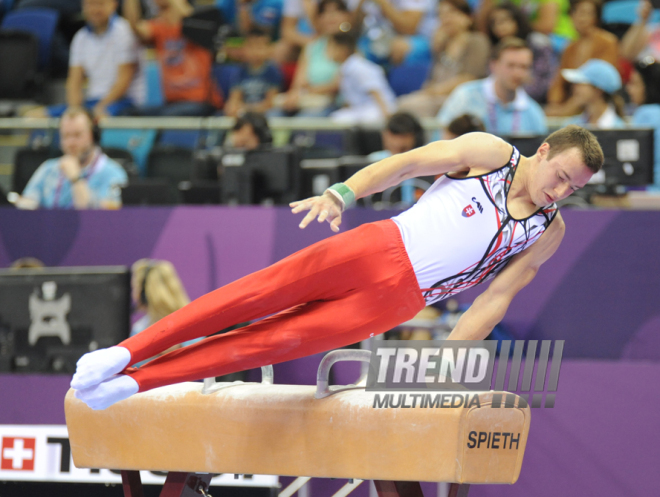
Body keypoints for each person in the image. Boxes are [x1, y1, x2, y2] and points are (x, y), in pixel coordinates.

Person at [71, 124, 601, 410]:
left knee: (267, 343)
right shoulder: (491, 153)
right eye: (559, 176)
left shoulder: (547, 231)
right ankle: (126, 352)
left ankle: (138, 383)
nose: (559, 191)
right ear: (544, 148)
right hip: (376, 246)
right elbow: (409, 163)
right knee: (249, 298)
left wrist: (447, 364)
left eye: (571, 190)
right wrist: (344, 192)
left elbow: (494, 300)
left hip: (397, 302)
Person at [24, 0, 145, 118]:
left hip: (124, 102)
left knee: (100, 117)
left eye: (100, 4)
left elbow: (124, 80)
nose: (95, 9)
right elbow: (74, 81)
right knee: (35, 116)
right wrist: (74, 109)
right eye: (90, 4)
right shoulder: (80, 38)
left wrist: (101, 106)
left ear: (114, 5)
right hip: (92, 102)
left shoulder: (124, 31)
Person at [123, 0, 223, 116]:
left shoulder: (200, 25)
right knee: (130, 114)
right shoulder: (159, 27)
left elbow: (190, 17)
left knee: (167, 116)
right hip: (171, 103)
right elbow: (135, 27)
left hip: (200, 101)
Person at [16, 107, 128, 210]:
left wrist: (75, 178)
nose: (71, 143)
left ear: (94, 135)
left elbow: (96, 216)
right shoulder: (48, 168)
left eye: (77, 135)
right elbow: (25, 207)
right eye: (66, 136)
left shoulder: (113, 173)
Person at [396, 0, 490, 117]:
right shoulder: (443, 44)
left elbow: (470, 78)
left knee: (407, 107)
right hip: (437, 97)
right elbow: (432, 78)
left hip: (463, 98)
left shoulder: (477, 41)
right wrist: (436, 47)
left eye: (452, 12)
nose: (447, 18)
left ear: (468, 17)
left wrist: (435, 91)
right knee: (401, 104)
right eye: (442, 14)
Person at [438, 37, 547, 135]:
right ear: (494, 65)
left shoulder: (533, 112)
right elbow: (441, 137)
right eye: (511, 65)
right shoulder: (465, 96)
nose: (517, 73)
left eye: (524, 67)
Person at [276, 0, 352, 116]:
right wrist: (295, 94)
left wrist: (308, 91)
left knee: (306, 119)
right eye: (324, 12)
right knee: (274, 115)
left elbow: (337, 85)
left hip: (334, 104)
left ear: (347, 16)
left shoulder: (351, 47)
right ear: (318, 19)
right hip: (308, 101)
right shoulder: (312, 46)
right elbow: (299, 82)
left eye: (336, 11)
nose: (330, 16)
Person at [545, 0, 619, 117]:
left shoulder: (608, 42)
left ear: (596, 17)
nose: (582, 18)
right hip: (572, 102)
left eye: (587, 13)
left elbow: (601, 82)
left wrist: (565, 110)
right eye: (578, 13)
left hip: (597, 101)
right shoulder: (569, 47)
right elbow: (559, 81)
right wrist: (554, 104)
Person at [130, 259, 202, 365]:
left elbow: (201, 362)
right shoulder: (139, 329)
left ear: (144, 293)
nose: (134, 295)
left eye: (135, 288)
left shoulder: (191, 325)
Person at [486, 1, 557, 104]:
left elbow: (542, 85)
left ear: (517, 20)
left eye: (504, 20)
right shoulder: (495, 48)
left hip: (536, 102)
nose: (500, 26)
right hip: (499, 101)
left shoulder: (537, 43)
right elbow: (491, 81)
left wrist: (512, 91)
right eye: (494, 23)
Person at [327, 30, 397, 123]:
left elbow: (375, 90)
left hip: (376, 109)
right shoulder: (346, 68)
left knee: (338, 120)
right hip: (362, 109)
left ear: (342, 49)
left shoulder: (359, 67)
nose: (327, 51)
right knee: (335, 117)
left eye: (330, 47)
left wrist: (387, 117)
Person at [349, 0, 438, 65]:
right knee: (354, 51)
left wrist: (383, 3)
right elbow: (353, 26)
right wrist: (361, 3)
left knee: (399, 46)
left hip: (423, 38)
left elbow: (409, 29)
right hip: (385, 36)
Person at [224, 27, 284, 118]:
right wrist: (233, 107)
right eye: (251, 47)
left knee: (275, 114)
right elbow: (234, 98)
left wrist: (250, 109)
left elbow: (270, 102)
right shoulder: (240, 71)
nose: (255, 52)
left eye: (259, 47)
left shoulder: (273, 71)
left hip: (264, 112)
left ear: (269, 49)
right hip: (244, 111)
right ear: (244, 49)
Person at [626, 57, 660, 190]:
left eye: (635, 84)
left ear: (649, 87)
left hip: (651, 195)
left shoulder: (646, 114)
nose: (629, 89)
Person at [562, 59, 625, 128]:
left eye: (581, 83)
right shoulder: (570, 126)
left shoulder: (620, 128)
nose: (574, 88)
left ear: (598, 90)